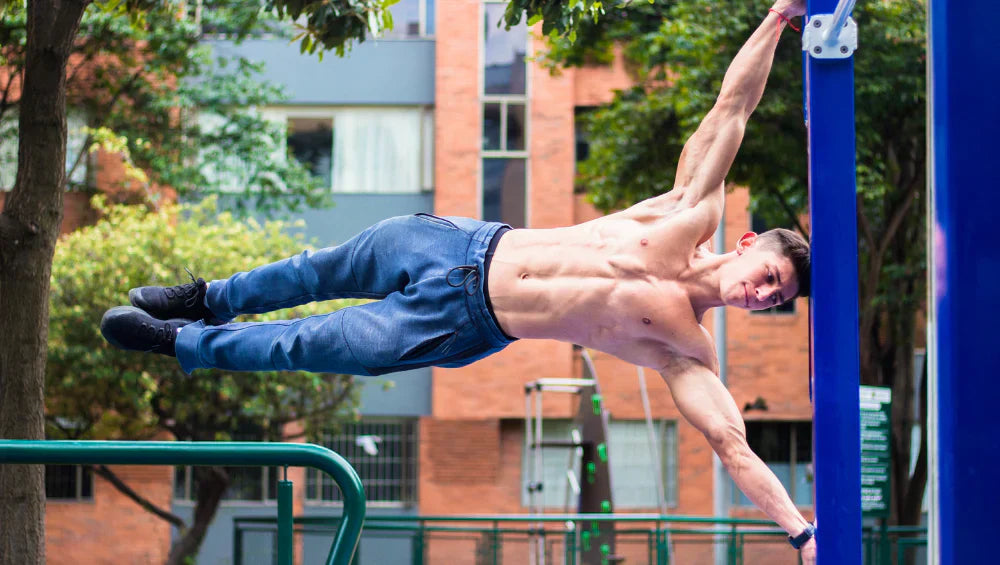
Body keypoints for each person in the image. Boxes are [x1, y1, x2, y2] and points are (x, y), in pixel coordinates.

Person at [101, 0, 816, 560]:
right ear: (749, 243)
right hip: (459, 242)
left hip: (462, 321)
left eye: (775, 299)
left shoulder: (687, 351)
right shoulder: (689, 208)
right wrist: (780, 15)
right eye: (769, 276)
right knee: (311, 272)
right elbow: (734, 107)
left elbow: (733, 445)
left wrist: (799, 531)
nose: (761, 294)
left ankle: (178, 342)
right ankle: (206, 299)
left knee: (306, 343)